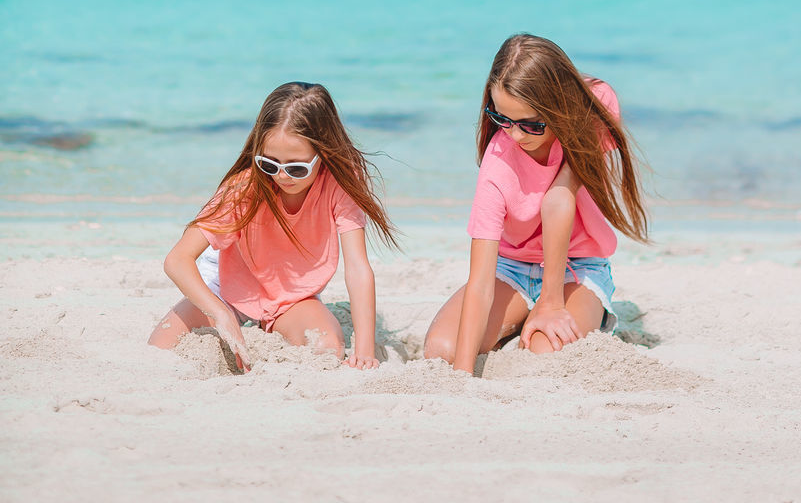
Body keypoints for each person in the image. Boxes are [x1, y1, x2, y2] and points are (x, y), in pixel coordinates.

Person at [424, 33, 650, 374]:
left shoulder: (595, 104)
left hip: (578, 266)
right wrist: (463, 374)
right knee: (441, 350)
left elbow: (559, 198)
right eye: (502, 118)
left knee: (545, 354)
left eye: (531, 124)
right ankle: (519, 316)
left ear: (559, 106)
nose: (515, 136)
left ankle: (551, 310)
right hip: (511, 268)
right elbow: (481, 280)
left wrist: (551, 301)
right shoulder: (497, 162)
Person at [148, 81, 397, 371]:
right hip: (226, 286)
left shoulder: (340, 183)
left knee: (327, 347)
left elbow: (357, 266)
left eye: (296, 168)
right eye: (269, 163)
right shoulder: (246, 186)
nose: (281, 176)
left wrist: (366, 349)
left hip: (292, 296)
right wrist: (221, 314)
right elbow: (177, 260)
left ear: (324, 154)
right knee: (159, 350)